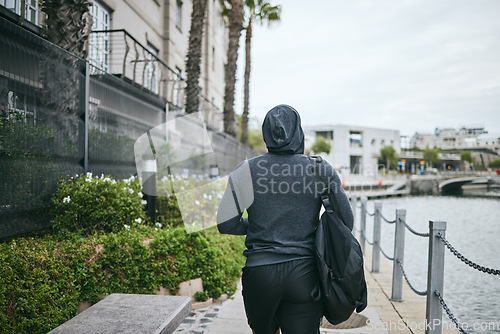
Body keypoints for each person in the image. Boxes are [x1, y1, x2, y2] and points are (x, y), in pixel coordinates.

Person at [216, 104, 354, 334]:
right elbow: (346, 223)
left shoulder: (246, 170)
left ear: (266, 133)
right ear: (298, 132)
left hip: (259, 274)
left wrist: (260, 227)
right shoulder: (319, 169)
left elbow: (226, 223)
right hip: (304, 273)